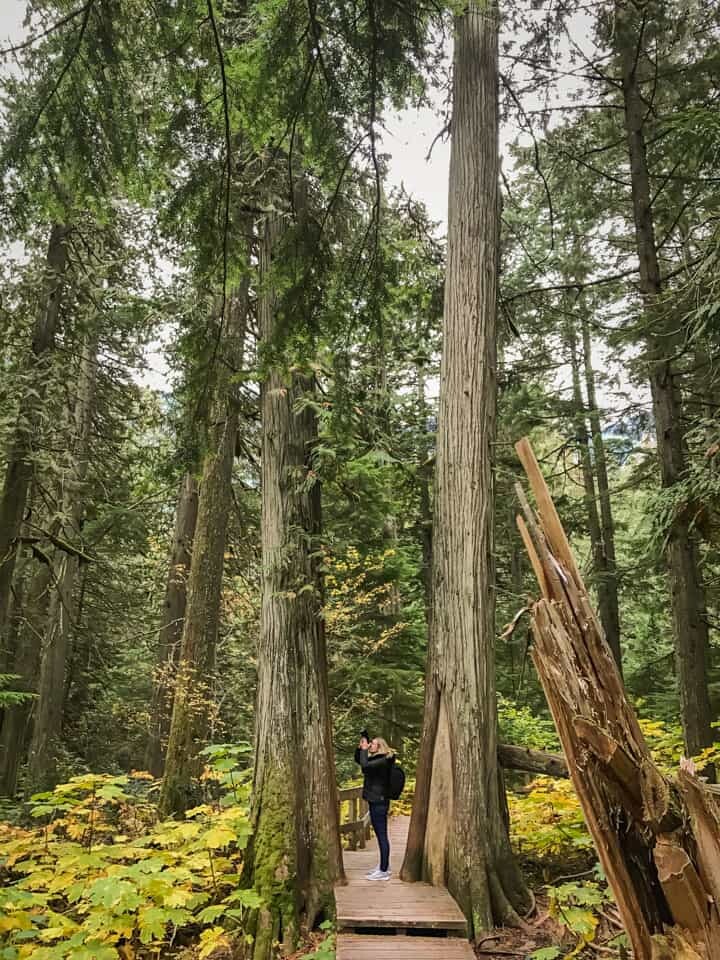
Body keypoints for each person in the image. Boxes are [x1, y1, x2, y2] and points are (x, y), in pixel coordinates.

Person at [355, 732, 396, 881]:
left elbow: (365, 766)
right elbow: (360, 761)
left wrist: (364, 750)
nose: (370, 745)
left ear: (380, 747)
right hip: (376, 800)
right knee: (380, 835)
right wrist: (361, 749)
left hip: (379, 801)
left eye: (372, 744)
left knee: (382, 835)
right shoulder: (378, 760)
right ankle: (384, 866)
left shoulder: (383, 760)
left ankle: (384, 871)